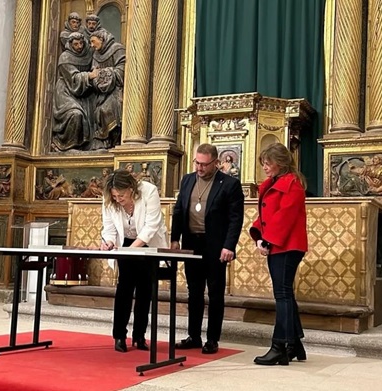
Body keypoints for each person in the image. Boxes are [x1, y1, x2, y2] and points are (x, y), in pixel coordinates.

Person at [170, 143, 244, 354]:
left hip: (215, 246)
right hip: (191, 244)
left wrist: (229, 246)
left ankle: (212, 339)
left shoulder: (229, 184)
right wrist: (175, 238)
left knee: (215, 293)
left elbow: (235, 219)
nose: (200, 168)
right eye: (197, 163)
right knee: (194, 292)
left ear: (216, 163)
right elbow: (178, 210)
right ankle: (194, 336)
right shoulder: (187, 180)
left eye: (204, 164)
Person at [249, 142, 308, 366]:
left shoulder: (292, 184)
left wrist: (268, 240)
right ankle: (294, 344)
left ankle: (279, 346)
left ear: (280, 163)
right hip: (280, 244)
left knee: (282, 295)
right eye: (263, 163)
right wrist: (260, 234)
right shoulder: (276, 183)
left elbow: (285, 217)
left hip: (287, 245)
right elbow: (268, 214)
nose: (265, 167)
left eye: (268, 163)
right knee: (285, 294)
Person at [100, 169, 168, 353]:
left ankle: (139, 336)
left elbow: (151, 225)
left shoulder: (149, 191)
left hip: (147, 242)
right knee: (124, 289)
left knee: (145, 290)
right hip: (124, 243)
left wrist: (133, 249)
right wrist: (109, 242)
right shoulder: (109, 200)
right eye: (115, 196)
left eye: (121, 195)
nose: (118, 199)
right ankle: (119, 336)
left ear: (131, 188)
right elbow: (108, 228)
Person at [52, 32, 98, 151]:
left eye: (81, 43)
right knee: (75, 114)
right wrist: (89, 75)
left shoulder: (88, 53)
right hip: (66, 91)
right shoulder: (65, 57)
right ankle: (65, 144)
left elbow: (95, 62)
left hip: (85, 92)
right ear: (70, 44)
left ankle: (92, 144)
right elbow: (72, 78)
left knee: (98, 110)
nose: (79, 46)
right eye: (76, 44)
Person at [89, 29, 125, 150]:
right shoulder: (96, 54)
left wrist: (109, 73)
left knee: (109, 108)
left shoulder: (117, 49)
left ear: (102, 39)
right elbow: (94, 72)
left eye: (93, 42)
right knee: (98, 111)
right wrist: (97, 80)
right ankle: (105, 141)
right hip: (101, 92)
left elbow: (123, 68)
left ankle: (114, 140)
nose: (92, 45)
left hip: (117, 89)